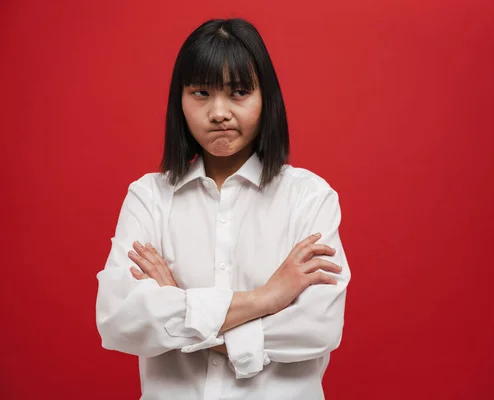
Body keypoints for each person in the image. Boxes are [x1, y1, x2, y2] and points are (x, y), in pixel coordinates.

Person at [95, 18, 351, 400]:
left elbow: (318, 328)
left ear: (267, 99)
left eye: (239, 92)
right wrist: (267, 298)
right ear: (178, 102)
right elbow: (119, 322)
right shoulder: (149, 197)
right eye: (200, 93)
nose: (218, 112)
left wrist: (177, 307)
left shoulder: (309, 198)